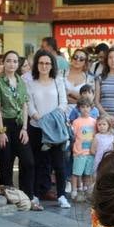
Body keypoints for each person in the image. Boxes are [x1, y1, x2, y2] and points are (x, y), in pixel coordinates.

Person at [26, 50, 70, 208]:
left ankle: (62, 195)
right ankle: (36, 194)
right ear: (36, 65)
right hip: (37, 127)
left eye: (47, 63)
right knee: (39, 163)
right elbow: (29, 103)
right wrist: (36, 116)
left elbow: (63, 103)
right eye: (41, 63)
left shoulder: (58, 81)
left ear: (52, 65)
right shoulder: (30, 83)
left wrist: (49, 119)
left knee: (59, 164)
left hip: (55, 128)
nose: (44, 66)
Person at [0, 50, 33, 199]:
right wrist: (1, 131)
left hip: (19, 124)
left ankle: (27, 196)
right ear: (3, 63)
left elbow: (25, 106)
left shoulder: (21, 81)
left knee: (28, 161)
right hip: (4, 124)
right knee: (5, 163)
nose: (12, 64)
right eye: (9, 60)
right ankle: (9, 196)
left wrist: (25, 128)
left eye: (15, 61)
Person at [70, 89, 100, 202]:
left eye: (87, 107)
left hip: (90, 153)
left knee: (87, 174)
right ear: (79, 108)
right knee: (76, 173)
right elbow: (73, 136)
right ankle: (74, 190)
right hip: (79, 152)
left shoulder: (94, 122)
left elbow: (96, 136)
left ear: (91, 108)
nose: (85, 109)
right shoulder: (76, 122)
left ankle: (87, 191)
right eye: (82, 107)